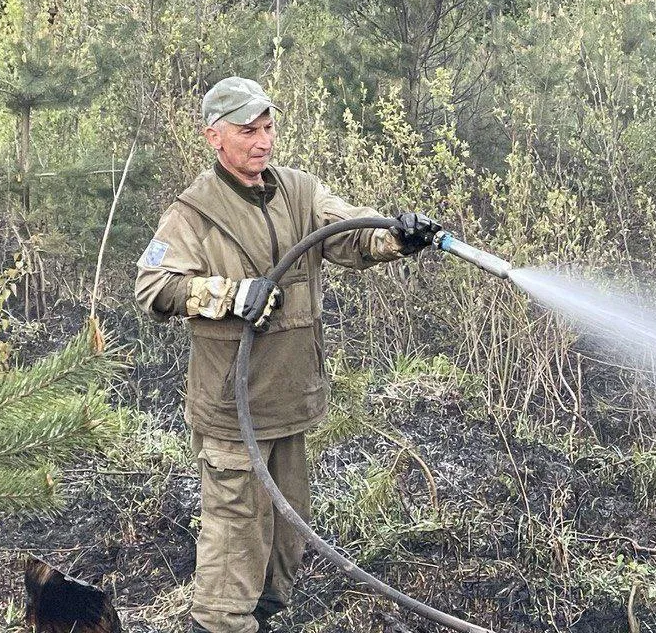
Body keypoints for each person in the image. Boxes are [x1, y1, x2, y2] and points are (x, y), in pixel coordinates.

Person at [134, 77, 441, 633]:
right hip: (235, 409)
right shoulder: (193, 214)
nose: (262, 142)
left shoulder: (299, 191)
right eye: (248, 131)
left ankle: (265, 617)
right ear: (215, 138)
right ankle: (221, 625)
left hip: (291, 401)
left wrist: (399, 235)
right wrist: (228, 294)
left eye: (268, 128)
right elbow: (152, 288)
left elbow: (350, 235)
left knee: (284, 534)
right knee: (234, 533)